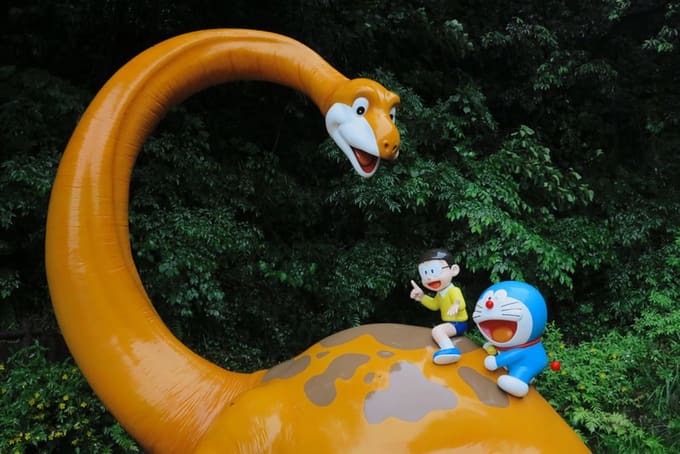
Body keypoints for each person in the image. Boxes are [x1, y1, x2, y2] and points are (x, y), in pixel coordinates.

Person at [410, 249, 468, 365]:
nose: (429, 278)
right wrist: (422, 297)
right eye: (425, 273)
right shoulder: (440, 293)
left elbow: (461, 303)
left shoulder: (453, 290)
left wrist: (456, 305)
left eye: (433, 271)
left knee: (437, 330)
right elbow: (435, 305)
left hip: (458, 323)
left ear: (454, 270)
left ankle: (449, 349)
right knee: (437, 330)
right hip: (450, 323)